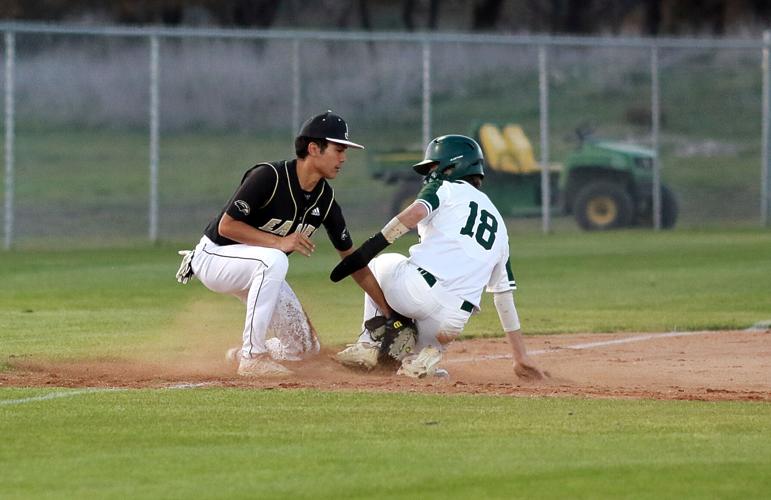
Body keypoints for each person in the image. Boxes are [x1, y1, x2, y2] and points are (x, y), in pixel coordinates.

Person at [176, 110, 399, 377]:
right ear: (314, 148)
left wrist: (389, 314)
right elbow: (227, 226)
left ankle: (238, 354)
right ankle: (252, 357)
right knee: (275, 259)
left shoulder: (324, 200)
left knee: (306, 348)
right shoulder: (269, 176)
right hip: (215, 257)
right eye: (339, 150)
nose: (344, 158)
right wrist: (279, 242)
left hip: (260, 268)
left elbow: (354, 262)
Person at [331, 134, 547, 380]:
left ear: (453, 166)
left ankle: (368, 343)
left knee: (379, 264)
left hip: (416, 292)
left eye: (433, 166)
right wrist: (521, 357)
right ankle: (424, 359)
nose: (429, 174)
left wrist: (369, 248)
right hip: (451, 323)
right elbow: (503, 297)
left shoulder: (445, 187)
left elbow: (415, 212)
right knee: (400, 357)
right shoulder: (498, 223)